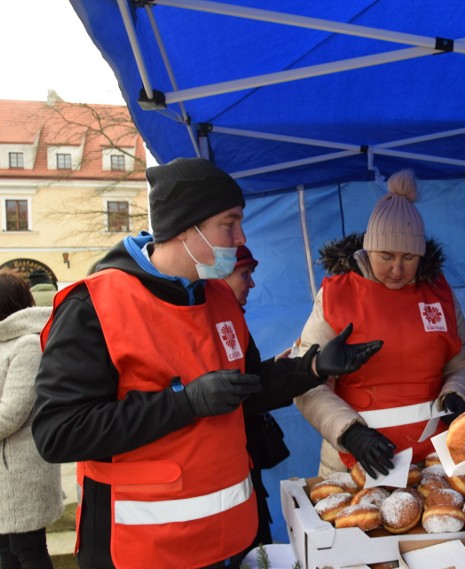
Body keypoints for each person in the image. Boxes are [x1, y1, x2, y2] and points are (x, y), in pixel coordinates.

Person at [31, 157, 382, 569]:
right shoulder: (93, 306)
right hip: (143, 549)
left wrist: (312, 368)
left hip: (229, 538)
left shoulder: (217, 297)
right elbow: (59, 432)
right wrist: (185, 403)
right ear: (185, 227)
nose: (240, 236)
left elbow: (245, 387)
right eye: (228, 223)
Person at [295, 169, 465, 479]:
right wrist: (350, 433)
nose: (397, 268)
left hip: (432, 463)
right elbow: (306, 383)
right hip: (354, 463)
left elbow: (462, 364)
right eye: (386, 256)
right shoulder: (336, 295)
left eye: (408, 257)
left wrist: (457, 394)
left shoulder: (438, 294)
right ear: (368, 248)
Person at [0, 270, 63, 569]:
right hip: (6, 473)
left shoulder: (26, 345)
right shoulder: (5, 343)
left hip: (22, 471)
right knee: (6, 551)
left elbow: (10, 413)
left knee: (27, 549)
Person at [223, 244, 281, 546]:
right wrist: (305, 372)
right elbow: (243, 392)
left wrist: (282, 368)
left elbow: (248, 376)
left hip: (246, 472)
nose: (252, 283)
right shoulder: (214, 321)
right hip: (229, 480)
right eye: (244, 274)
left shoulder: (234, 318)